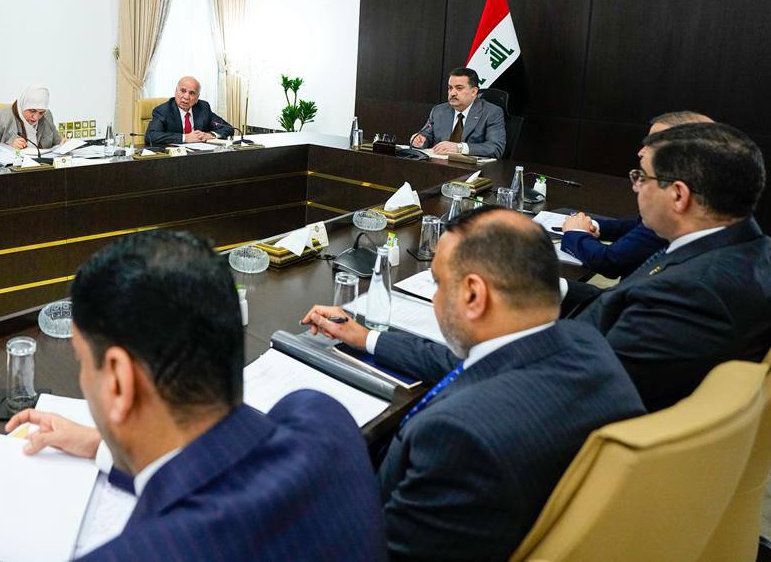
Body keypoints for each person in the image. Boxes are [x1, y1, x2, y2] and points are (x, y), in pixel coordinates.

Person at [0, 231, 387, 561]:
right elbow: (236, 440)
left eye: (84, 367)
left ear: (117, 381)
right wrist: (103, 445)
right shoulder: (323, 422)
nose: (83, 383)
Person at [302, 207, 643, 562]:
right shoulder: (584, 344)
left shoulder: (458, 438)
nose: (436, 299)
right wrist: (366, 338)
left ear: (474, 296)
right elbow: (469, 366)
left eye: (438, 284)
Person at [569, 122, 771, 411]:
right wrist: (552, 288)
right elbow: (628, 299)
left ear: (678, 195)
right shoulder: (741, 248)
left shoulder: (692, 293)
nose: (635, 186)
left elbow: (586, 386)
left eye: (642, 177)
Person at [558, 110, 711, 277]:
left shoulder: (675, 209)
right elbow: (637, 226)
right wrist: (592, 225)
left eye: (653, 144)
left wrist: (576, 234)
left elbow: (610, 261)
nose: (641, 152)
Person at [410, 67, 506, 158]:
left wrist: (459, 148)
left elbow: (495, 148)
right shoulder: (439, 111)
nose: (452, 93)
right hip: (439, 165)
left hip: (470, 168)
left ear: (474, 91)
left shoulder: (491, 112)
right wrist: (420, 141)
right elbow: (427, 135)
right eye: (450, 88)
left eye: (459, 88)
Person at [144, 77, 233, 148]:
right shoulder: (163, 110)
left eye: (192, 93)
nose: (186, 97)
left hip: (199, 155)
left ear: (197, 97)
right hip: (174, 157)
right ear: (175, 91)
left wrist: (210, 135)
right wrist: (185, 138)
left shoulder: (203, 108)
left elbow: (228, 128)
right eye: (183, 91)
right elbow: (150, 136)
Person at [0, 85, 65, 153]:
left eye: (41, 112)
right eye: (32, 111)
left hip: (43, 166)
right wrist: (9, 148)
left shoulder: (47, 115)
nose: (36, 117)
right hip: (14, 167)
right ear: (23, 105)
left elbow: (57, 142)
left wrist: (64, 144)